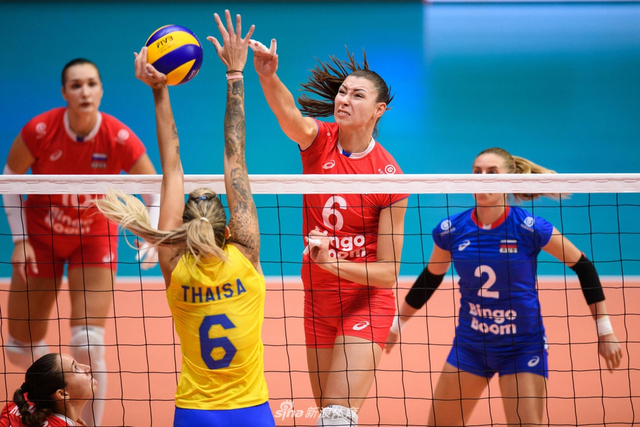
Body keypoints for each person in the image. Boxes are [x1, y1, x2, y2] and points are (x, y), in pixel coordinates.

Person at [95, 11, 275, 427]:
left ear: (183, 227)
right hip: (252, 411)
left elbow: (172, 167)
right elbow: (235, 155)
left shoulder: (174, 264)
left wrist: (160, 91)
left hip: (195, 412)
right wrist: (235, 73)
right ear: (229, 229)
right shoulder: (245, 255)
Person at [386, 147, 624, 426]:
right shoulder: (451, 230)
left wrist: (605, 330)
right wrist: (397, 324)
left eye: (492, 173)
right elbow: (431, 277)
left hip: (523, 347)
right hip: (471, 346)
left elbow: (583, 266)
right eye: (477, 172)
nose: (482, 179)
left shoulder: (529, 227)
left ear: (509, 180)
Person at [251, 39, 409, 425]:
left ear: (379, 110)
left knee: (337, 415)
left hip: (365, 303)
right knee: (326, 415)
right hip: (318, 302)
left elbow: (388, 272)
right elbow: (289, 114)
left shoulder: (389, 177)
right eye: (342, 92)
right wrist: (268, 76)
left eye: (357, 95)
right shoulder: (319, 141)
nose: (344, 99)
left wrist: (332, 263)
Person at [3, 58, 159, 425]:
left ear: (101, 90)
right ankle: (53, 387)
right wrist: (20, 240)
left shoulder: (118, 136)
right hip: (42, 237)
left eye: (91, 83)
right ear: (64, 93)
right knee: (16, 346)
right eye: (76, 85)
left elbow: (155, 188)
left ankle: (87, 423)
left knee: (88, 343)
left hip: (93, 240)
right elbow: (9, 181)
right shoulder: (40, 130)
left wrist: (151, 234)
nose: (84, 91)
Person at [0, 353, 97, 427]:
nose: (87, 368)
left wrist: (70, 414)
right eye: (76, 368)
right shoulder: (22, 400)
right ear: (62, 394)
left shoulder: (19, 403)